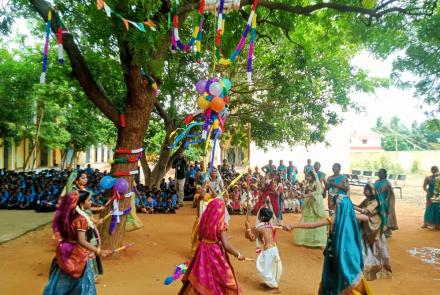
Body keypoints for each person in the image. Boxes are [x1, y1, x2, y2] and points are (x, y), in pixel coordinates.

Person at [284, 195, 372, 295]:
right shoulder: (350, 216)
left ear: (336, 205)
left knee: (334, 276)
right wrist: (352, 210)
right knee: (349, 277)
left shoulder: (335, 218)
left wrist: (293, 225)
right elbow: (367, 218)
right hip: (351, 254)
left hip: (336, 254)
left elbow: (312, 225)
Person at [43, 190, 112, 294]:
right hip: (77, 254)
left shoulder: (67, 216)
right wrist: (99, 251)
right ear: (81, 203)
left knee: (60, 280)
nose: (91, 202)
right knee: (82, 283)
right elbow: (81, 240)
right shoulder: (81, 219)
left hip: (63, 250)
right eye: (89, 200)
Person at [179, 198, 245, 294]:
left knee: (200, 276)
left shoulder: (203, 222)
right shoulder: (221, 224)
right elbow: (226, 246)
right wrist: (238, 254)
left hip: (202, 251)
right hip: (214, 253)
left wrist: (216, 239)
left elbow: (201, 237)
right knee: (225, 280)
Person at [354, 184, 392, 281]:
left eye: (368, 190)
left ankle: (381, 269)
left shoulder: (375, 201)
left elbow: (365, 211)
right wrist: (350, 204)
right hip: (367, 226)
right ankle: (366, 268)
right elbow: (359, 206)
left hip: (375, 228)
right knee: (365, 246)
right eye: (365, 190)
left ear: (373, 191)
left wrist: (351, 206)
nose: (365, 192)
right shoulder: (367, 200)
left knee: (377, 248)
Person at [245, 208, 282, 293]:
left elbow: (252, 238)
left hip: (269, 251)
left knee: (263, 268)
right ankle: (269, 284)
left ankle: (274, 287)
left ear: (260, 217)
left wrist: (248, 228)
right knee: (269, 267)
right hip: (273, 249)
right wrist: (249, 229)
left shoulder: (260, 227)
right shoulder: (269, 224)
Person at [294, 171, 327, 248]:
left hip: (316, 203)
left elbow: (319, 192)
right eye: (307, 176)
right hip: (309, 203)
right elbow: (307, 193)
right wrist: (302, 196)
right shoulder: (309, 184)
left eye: (309, 176)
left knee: (316, 220)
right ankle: (307, 241)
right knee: (308, 219)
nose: (307, 178)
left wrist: (306, 195)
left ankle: (316, 241)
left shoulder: (317, 183)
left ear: (313, 176)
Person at [374, 169, 398, 238]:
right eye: (378, 173)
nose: (379, 174)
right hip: (376, 202)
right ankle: (378, 231)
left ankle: (387, 232)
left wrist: (387, 202)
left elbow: (390, 194)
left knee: (384, 216)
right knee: (377, 216)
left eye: (381, 173)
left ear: (385, 175)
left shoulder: (387, 183)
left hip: (384, 203)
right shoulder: (377, 181)